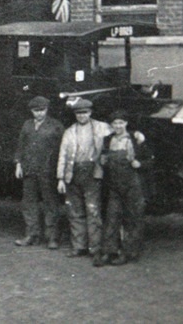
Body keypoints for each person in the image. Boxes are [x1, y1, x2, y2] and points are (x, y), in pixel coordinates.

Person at [56, 98, 111, 267]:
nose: (82, 116)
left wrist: (137, 136)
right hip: (73, 173)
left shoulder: (102, 127)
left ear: (90, 112)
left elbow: (118, 136)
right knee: (74, 210)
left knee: (93, 210)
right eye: (79, 113)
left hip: (93, 173)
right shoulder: (69, 132)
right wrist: (60, 178)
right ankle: (78, 246)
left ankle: (95, 248)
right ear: (75, 115)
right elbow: (63, 155)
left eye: (85, 113)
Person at [13, 96, 65, 249]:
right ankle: (32, 234)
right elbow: (20, 146)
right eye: (36, 111)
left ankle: (52, 237)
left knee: (51, 204)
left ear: (47, 110)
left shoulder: (56, 126)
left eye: (42, 110)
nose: (39, 114)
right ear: (31, 111)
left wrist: (59, 170)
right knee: (29, 204)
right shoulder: (27, 125)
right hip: (29, 170)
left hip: (48, 171)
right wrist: (18, 164)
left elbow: (63, 149)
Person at [98, 110, 146, 266]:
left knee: (132, 219)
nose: (118, 126)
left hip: (132, 185)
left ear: (126, 123)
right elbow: (103, 157)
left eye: (121, 123)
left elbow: (149, 159)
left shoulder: (135, 139)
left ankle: (128, 253)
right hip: (114, 185)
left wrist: (140, 164)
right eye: (115, 123)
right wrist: (103, 160)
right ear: (111, 125)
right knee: (111, 218)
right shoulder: (107, 140)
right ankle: (108, 252)